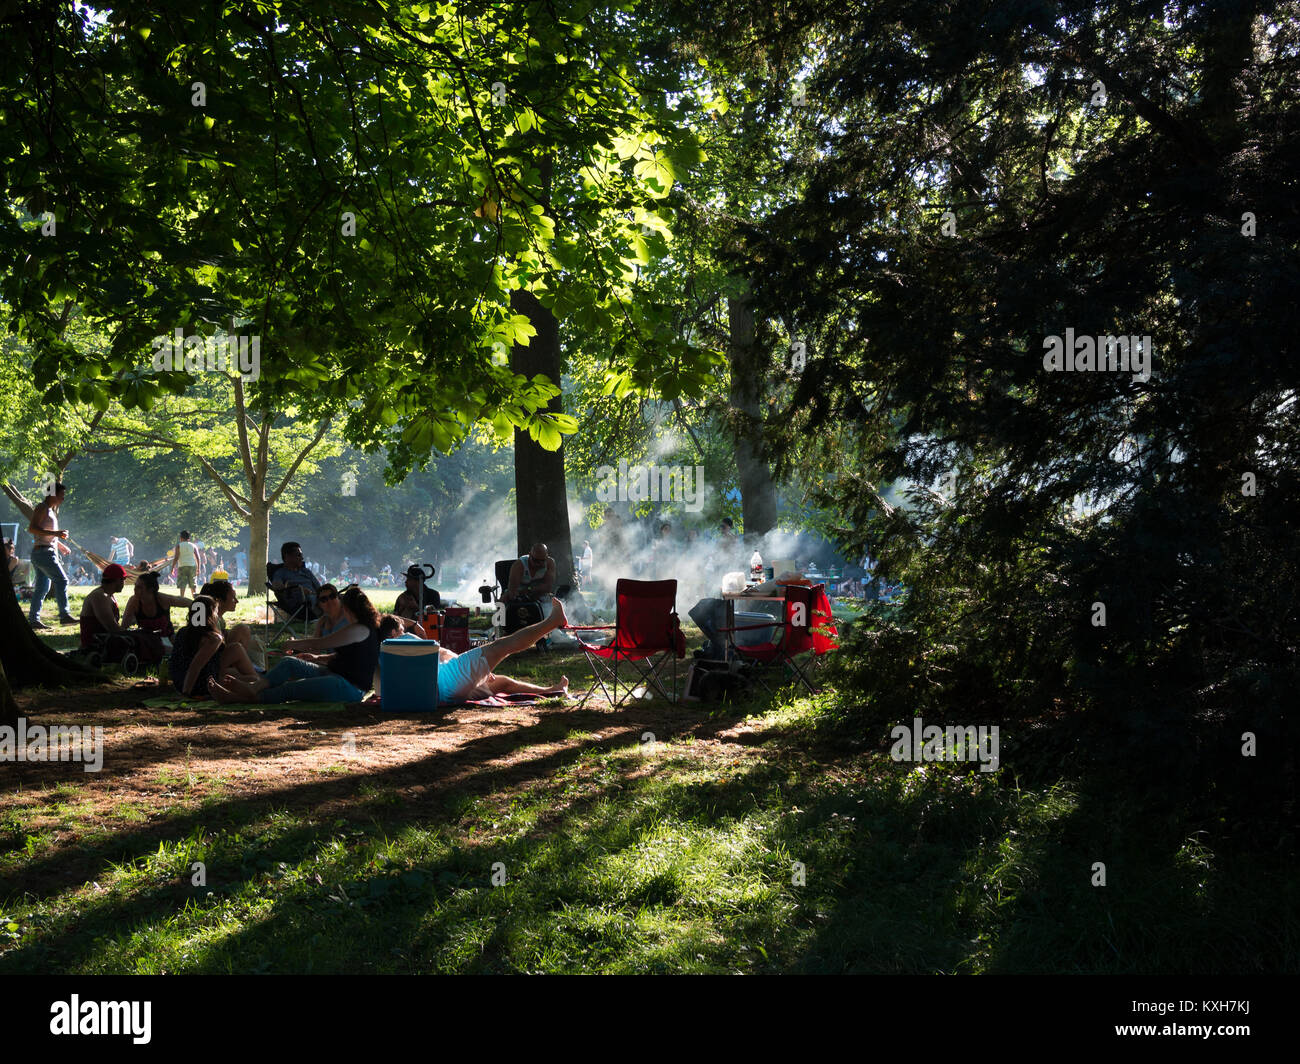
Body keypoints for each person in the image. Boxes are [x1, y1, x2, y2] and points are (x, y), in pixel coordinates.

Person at [207, 586, 381, 704]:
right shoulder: (357, 628)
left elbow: (320, 643)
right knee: (289, 663)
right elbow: (349, 656)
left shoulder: (359, 629)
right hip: (335, 673)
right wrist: (317, 657)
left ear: (349, 610)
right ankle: (254, 687)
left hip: (349, 688)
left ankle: (240, 698)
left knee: (291, 689)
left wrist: (294, 643)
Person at [378, 598, 571, 703]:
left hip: (443, 695)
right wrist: (483, 670)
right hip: (451, 678)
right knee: (503, 646)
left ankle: (551, 691)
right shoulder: (405, 639)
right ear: (395, 631)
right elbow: (442, 653)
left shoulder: (383, 655)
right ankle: (552, 622)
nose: (405, 631)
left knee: (502, 683)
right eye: (402, 629)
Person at [28, 481, 77, 629]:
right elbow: (32, 528)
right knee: (62, 581)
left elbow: (44, 533)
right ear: (53, 495)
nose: (63, 499)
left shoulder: (50, 511)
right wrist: (55, 533)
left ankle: (34, 620)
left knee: (42, 588)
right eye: (61, 495)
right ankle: (64, 615)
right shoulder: (42, 507)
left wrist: (60, 544)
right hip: (44, 553)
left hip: (43, 551)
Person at [123, 569, 190, 640]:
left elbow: (190, 602)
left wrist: (194, 623)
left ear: (150, 590)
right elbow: (123, 627)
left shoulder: (163, 599)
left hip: (167, 639)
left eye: (139, 587)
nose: (135, 589)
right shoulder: (134, 601)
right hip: (146, 642)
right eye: (135, 586)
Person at [79, 563, 129, 648]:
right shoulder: (99, 596)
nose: (124, 583)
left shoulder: (108, 595)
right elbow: (112, 628)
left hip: (105, 642)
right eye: (123, 579)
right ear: (117, 580)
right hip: (94, 647)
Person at [270, 541, 322, 617]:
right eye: (298, 555)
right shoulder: (280, 573)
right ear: (287, 556)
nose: (302, 558)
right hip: (299, 605)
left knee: (340, 597)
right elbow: (277, 586)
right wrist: (298, 589)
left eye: (301, 555)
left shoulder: (306, 571)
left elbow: (319, 588)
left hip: (316, 599)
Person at [168, 530, 200, 596]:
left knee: (182, 583)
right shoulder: (193, 545)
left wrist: (172, 568)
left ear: (181, 538)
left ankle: (182, 597)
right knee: (193, 583)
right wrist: (198, 568)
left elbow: (176, 558)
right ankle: (195, 597)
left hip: (182, 566)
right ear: (189, 538)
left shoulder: (179, 546)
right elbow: (198, 558)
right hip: (192, 566)